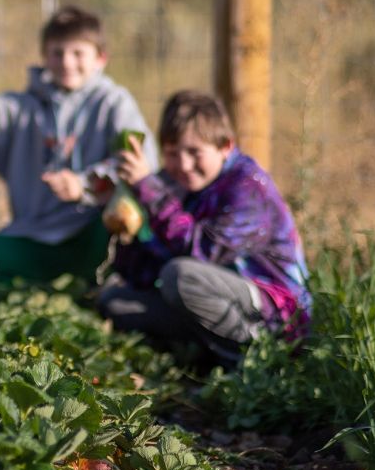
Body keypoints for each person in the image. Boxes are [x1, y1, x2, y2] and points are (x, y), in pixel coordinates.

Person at [0, 4, 157, 284]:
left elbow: (138, 161)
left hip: (95, 235)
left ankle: (113, 285)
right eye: (57, 53)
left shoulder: (114, 103)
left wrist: (84, 185)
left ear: (101, 58)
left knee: (135, 209)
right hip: (36, 237)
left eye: (78, 53)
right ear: (45, 56)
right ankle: (35, 292)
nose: (67, 62)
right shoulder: (25, 108)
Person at [96, 90, 312, 368]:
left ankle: (260, 360)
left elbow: (202, 251)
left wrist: (149, 191)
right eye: (172, 154)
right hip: (215, 298)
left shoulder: (248, 187)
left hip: (275, 311)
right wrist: (128, 222)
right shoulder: (181, 184)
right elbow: (149, 267)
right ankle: (207, 357)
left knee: (180, 276)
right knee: (116, 302)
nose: (184, 165)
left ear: (225, 146)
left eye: (194, 152)